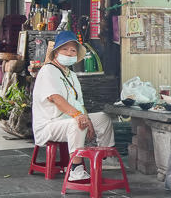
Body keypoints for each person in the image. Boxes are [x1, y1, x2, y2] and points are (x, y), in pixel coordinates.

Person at [31, 31, 114, 182]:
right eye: (65, 49)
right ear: (56, 52)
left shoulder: (71, 75)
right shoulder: (47, 70)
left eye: (73, 50)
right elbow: (55, 98)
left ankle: (105, 159)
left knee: (103, 118)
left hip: (68, 120)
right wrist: (78, 116)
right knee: (77, 124)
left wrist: (86, 117)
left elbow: (79, 103)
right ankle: (76, 170)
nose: (69, 53)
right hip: (50, 125)